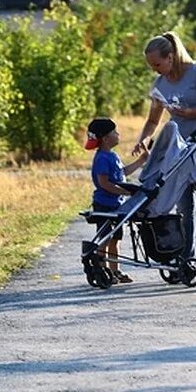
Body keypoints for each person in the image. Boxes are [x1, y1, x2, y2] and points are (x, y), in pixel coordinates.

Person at [133, 32, 196, 283]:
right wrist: (144, 138)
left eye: (157, 64)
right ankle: (185, 260)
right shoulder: (160, 85)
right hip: (180, 151)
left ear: (171, 57)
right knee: (182, 207)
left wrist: (190, 112)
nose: (155, 70)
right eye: (151, 65)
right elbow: (153, 120)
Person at [86, 117, 149, 284]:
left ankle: (115, 270)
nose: (118, 134)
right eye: (114, 132)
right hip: (105, 205)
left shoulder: (112, 155)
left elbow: (123, 173)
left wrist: (141, 161)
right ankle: (102, 270)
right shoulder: (102, 158)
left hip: (116, 206)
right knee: (104, 240)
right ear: (106, 138)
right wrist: (124, 192)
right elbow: (104, 183)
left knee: (115, 240)